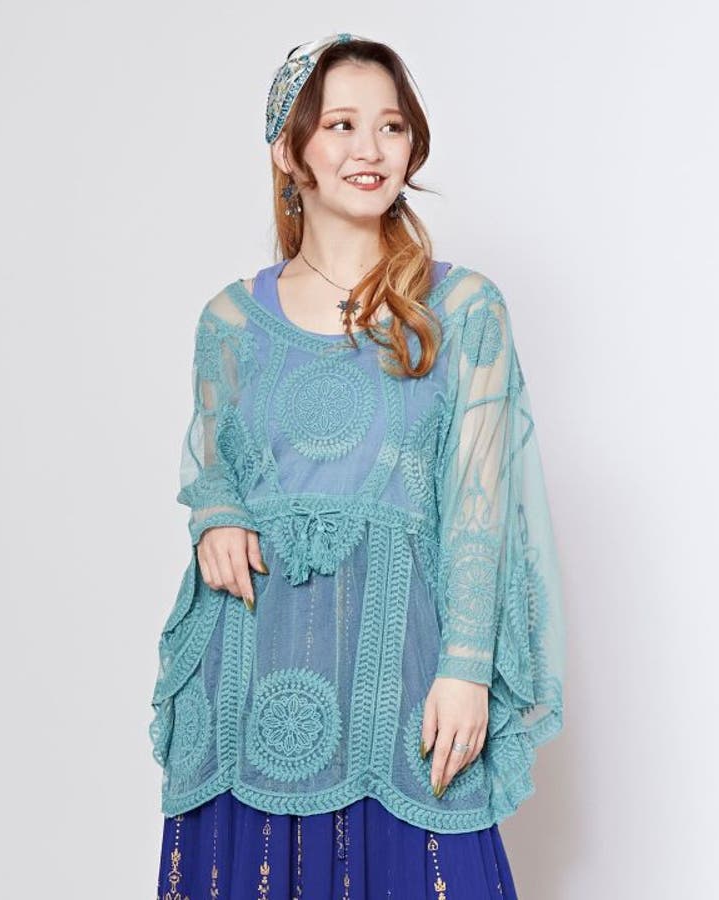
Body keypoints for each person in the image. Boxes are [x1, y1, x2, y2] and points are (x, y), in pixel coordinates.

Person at [149, 33, 565, 899]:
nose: (369, 148)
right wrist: (215, 513)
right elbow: (217, 463)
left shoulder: (464, 308)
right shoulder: (228, 321)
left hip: (405, 687)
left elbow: (481, 506)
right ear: (288, 151)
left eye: (391, 125)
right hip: (251, 688)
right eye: (340, 124)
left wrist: (466, 667)